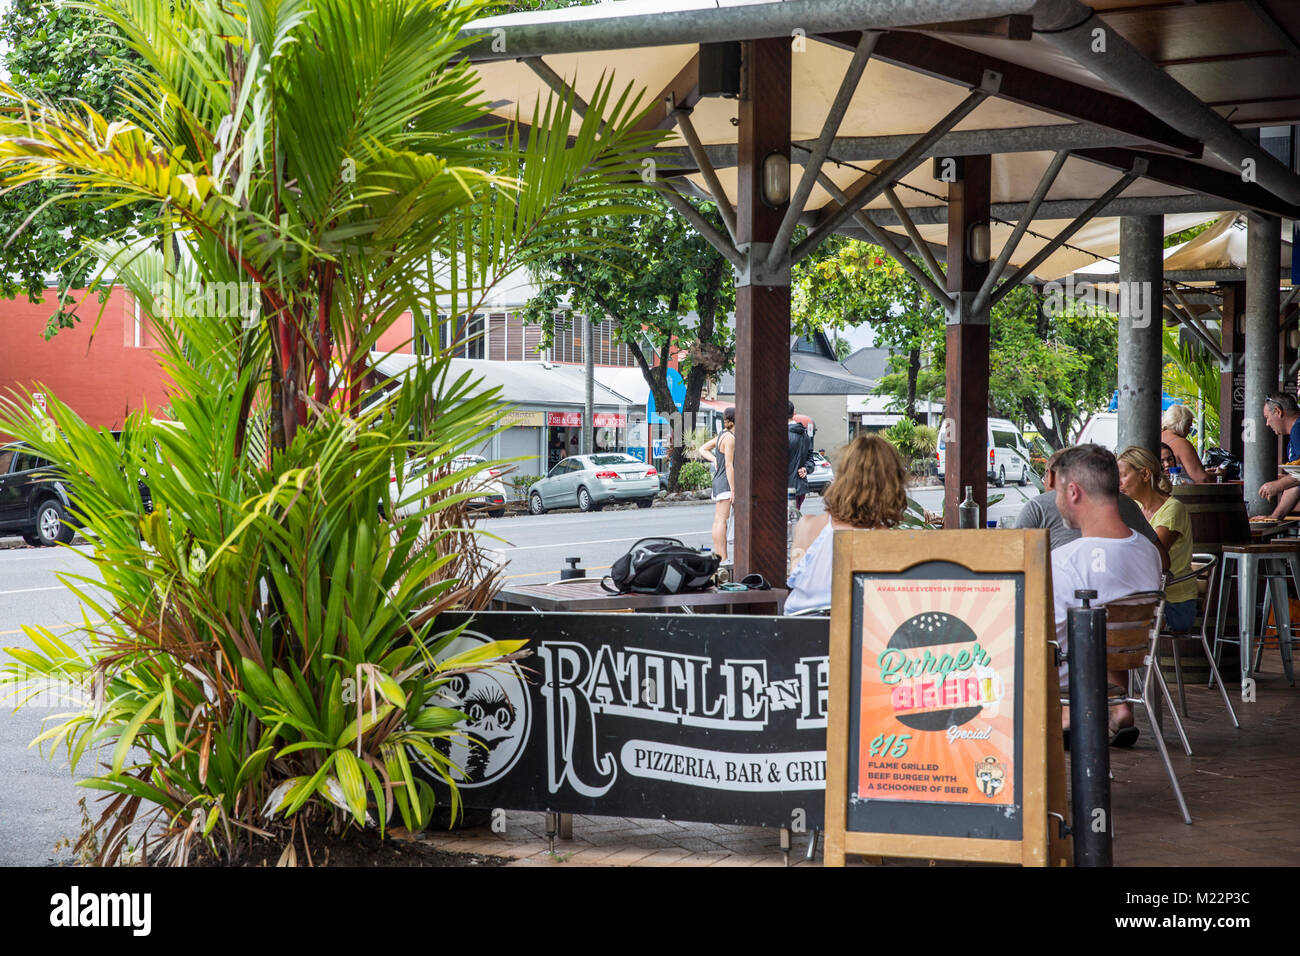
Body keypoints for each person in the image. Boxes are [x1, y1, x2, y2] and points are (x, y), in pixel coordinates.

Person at [1051, 444, 1163, 745]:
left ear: (1073, 492)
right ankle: (1118, 706)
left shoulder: (1064, 561)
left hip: (1065, 688)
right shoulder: (1148, 551)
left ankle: (1069, 715)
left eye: (1058, 492)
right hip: (1121, 670)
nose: (1057, 501)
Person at [785, 434, 908, 615]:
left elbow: (794, 578)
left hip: (799, 631)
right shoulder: (889, 542)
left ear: (842, 476)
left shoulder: (807, 527)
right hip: (859, 635)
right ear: (892, 485)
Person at [1014, 449, 1168, 570]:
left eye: (1045, 474)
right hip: (1127, 604)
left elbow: (1013, 562)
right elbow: (1163, 562)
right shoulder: (1127, 504)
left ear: (1053, 476)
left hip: (1060, 604)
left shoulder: (1037, 507)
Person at [1117, 446, 1197, 632]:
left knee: (1109, 620)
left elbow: (1151, 555)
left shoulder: (1172, 510)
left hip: (1174, 604)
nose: (1118, 483)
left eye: (1123, 475)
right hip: (1146, 597)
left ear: (1145, 474)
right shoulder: (1134, 507)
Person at [699, 407, 736, 563]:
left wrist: (714, 459)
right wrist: (733, 489)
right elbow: (729, 465)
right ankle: (724, 558)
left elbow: (702, 449)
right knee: (722, 520)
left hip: (717, 481)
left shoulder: (722, 435)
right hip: (725, 483)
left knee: (718, 520)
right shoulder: (731, 438)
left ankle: (720, 556)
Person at [1258, 391, 1300, 519]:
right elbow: (1296, 482)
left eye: (1267, 417)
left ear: (1278, 411)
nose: (1267, 423)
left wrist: (1278, 485)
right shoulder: (1294, 433)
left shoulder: (1298, 429)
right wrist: (1274, 517)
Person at [1160, 404, 1210, 483]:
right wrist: (1219, 475)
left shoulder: (1158, 436)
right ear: (1181, 424)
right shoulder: (1182, 444)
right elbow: (1202, 478)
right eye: (1188, 426)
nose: (1189, 431)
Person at [787, 402, 816, 512]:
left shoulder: (778, 435)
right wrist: (806, 469)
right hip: (799, 487)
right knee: (794, 519)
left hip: (781, 488)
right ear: (794, 413)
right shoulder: (804, 435)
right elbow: (810, 459)